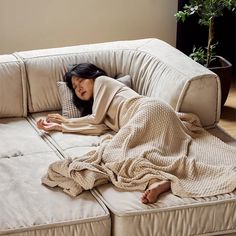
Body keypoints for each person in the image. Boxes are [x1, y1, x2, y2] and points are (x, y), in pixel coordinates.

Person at [38, 63, 236, 204]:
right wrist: (60, 127)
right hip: (147, 117)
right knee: (143, 155)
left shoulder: (102, 81)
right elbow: (97, 127)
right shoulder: (102, 105)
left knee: (112, 153)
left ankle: (165, 179)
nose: (78, 87)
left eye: (81, 80)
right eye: (74, 86)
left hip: (148, 109)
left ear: (92, 75)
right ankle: (161, 181)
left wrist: (67, 121)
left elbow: (95, 119)